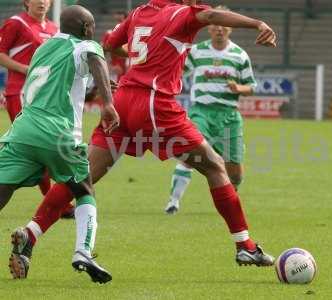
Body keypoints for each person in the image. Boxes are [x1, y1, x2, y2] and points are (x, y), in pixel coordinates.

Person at [10, 0, 277, 279]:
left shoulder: (139, 12)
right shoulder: (182, 13)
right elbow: (211, 14)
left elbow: (110, 44)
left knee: (82, 175)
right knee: (213, 166)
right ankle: (244, 245)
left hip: (123, 100)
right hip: (154, 103)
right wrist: (257, 23)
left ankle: (31, 233)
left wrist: (140, 62)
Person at [0, 5, 119, 283]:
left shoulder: (44, 47)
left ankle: (29, 238)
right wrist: (108, 104)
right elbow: (95, 59)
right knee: (84, 188)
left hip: (22, 130)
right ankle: (83, 251)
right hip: (58, 133)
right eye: (91, 26)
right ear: (87, 28)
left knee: (3, 188)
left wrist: (97, 87)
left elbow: (65, 80)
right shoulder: (86, 44)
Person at [165, 5, 257, 214]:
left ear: (230, 29)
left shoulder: (239, 55)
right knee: (189, 154)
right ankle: (173, 202)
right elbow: (177, 73)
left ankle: (229, 202)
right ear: (209, 27)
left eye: (224, 25)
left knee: (235, 172)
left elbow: (252, 86)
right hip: (201, 112)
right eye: (215, 24)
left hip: (229, 115)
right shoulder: (197, 52)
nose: (219, 29)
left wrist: (238, 87)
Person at [0, 0, 75, 218]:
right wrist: (24, 68)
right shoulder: (16, 23)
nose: (42, 2)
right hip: (20, 93)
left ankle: (57, 202)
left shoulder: (54, 29)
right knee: (37, 146)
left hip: (47, 97)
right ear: (26, 2)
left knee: (37, 148)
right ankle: (59, 204)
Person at [102, 11, 128, 83]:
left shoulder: (133, 33)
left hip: (131, 70)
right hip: (117, 71)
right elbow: (103, 51)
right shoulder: (110, 33)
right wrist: (110, 67)